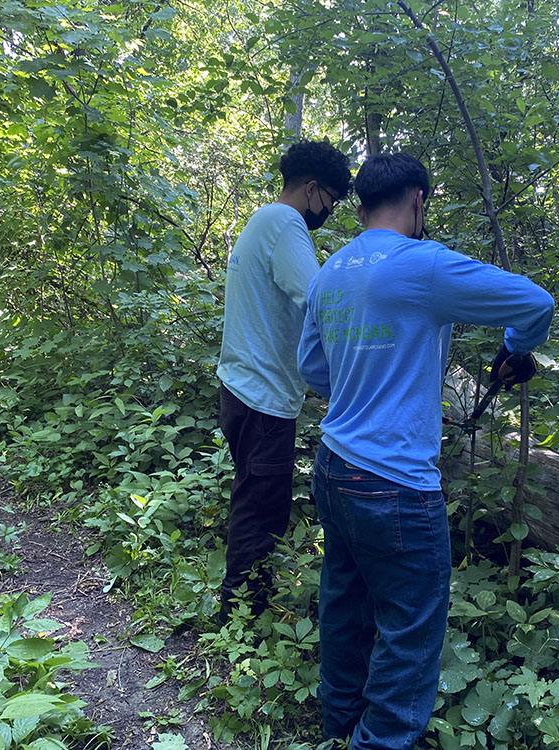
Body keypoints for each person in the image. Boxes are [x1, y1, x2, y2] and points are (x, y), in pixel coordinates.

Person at [298, 152, 554, 749]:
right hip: (395, 484)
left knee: (345, 606)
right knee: (410, 634)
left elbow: (314, 368)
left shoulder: (330, 270)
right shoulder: (423, 265)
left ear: (358, 207)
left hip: (333, 465)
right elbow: (535, 305)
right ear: (418, 201)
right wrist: (517, 349)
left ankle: (340, 725)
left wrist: (364, 387)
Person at [216, 139, 352, 623]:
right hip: (263, 399)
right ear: (312, 188)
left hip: (242, 388)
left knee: (254, 498)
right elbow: (320, 302)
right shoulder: (286, 224)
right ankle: (239, 616)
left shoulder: (260, 220)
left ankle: (243, 604)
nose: (330, 212)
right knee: (262, 509)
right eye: (332, 201)